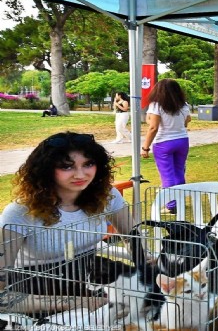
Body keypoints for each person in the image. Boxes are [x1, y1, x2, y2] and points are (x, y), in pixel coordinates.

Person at [0, 132, 134, 313]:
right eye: (67, 166)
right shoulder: (19, 212)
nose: (81, 174)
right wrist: (78, 303)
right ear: (46, 169)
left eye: (88, 164)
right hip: (38, 292)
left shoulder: (106, 195)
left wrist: (148, 266)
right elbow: (2, 297)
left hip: (91, 277)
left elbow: (133, 236)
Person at [141, 78, 191, 214]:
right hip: (182, 141)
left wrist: (145, 147)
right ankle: (179, 202)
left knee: (167, 175)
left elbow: (153, 127)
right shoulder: (184, 105)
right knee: (179, 172)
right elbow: (187, 121)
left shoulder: (156, 105)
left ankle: (171, 206)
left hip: (163, 143)